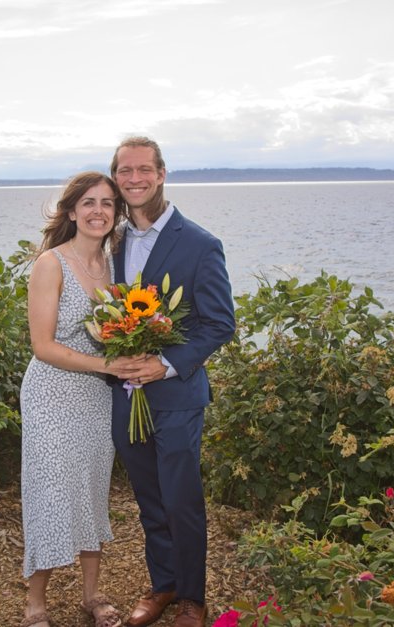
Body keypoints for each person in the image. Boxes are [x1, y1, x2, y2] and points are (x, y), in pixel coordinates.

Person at [108, 137, 235, 627]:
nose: (134, 179)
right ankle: (162, 585)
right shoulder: (111, 240)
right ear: (116, 176)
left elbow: (219, 322)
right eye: (124, 170)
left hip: (178, 395)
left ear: (162, 174)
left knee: (181, 499)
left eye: (143, 169)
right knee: (148, 499)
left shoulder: (201, 243)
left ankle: (192, 598)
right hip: (125, 395)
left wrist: (164, 363)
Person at [20, 171, 142, 627]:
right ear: (72, 211)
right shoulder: (51, 264)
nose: (98, 211)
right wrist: (108, 365)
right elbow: (43, 346)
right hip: (51, 393)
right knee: (49, 490)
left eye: (108, 203)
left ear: (117, 213)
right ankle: (36, 602)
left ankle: (93, 594)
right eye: (88, 202)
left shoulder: (118, 267)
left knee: (92, 489)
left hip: (96, 397)